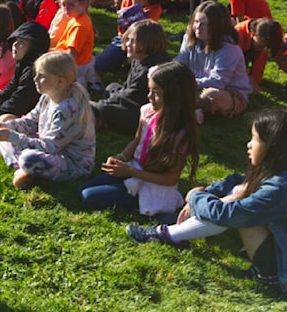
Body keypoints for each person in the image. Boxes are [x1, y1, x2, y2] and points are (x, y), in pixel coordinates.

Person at [127, 110, 287, 296]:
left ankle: (169, 234)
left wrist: (195, 196)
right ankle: (172, 233)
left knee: (240, 213)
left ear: (273, 147)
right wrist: (210, 191)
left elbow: (227, 214)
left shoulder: (281, 188)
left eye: (255, 139)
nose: (248, 144)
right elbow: (240, 181)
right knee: (240, 194)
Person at [80, 61, 199, 217]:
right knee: (82, 189)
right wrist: (121, 157)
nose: (149, 96)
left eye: (156, 92)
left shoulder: (180, 133)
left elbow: (170, 178)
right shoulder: (147, 111)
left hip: (153, 185)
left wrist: (131, 171)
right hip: (134, 171)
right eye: (149, 90)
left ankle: (139, 202)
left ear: (173, 96)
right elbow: (137, 141)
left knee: (88, 197)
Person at [0, 51, 96, 190]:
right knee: (6, 121)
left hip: (69, 162)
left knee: (28, 158)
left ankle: (20, 163)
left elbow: (50, 147)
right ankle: (23, 167)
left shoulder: (68, 109)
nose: (35, 78)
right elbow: (31, 121)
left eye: (42, 76)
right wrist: (7, 126)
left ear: (59, 82)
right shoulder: (47, 97)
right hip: (48, 146)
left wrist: (12, 137)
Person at [176, 0, 252, 123]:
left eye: (204, 24)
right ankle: (190, 110)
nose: (198, 27)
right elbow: (180, 64)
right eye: (196, 22)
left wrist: (186, 83)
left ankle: (185, 108)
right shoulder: (189, 38)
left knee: (211, 96)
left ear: (216, 26)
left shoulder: (229, 49)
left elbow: (218, 82)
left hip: (228, 92)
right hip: (195, 86)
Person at [92, 20, 173, 135]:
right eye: (128, 40)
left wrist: (102, 104)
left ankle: (102, 117)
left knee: (104, 110)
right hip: (133, 101)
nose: (128, 44)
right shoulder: (138, 59)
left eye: (133, 41)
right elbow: (127, 88)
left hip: (145, 111)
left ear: (147, 43)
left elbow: (132, 96)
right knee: (112, 87)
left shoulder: (151, 70)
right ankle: (103, 117)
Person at [0, 21, 51, 127]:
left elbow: (19, 101)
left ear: (34, 48)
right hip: (23, 110)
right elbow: (12, 87)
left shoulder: (33, 71)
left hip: (36, 115)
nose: (15, 45)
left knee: (4, 119)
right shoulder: (23, 62)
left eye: (22, 42)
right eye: (16, 40)